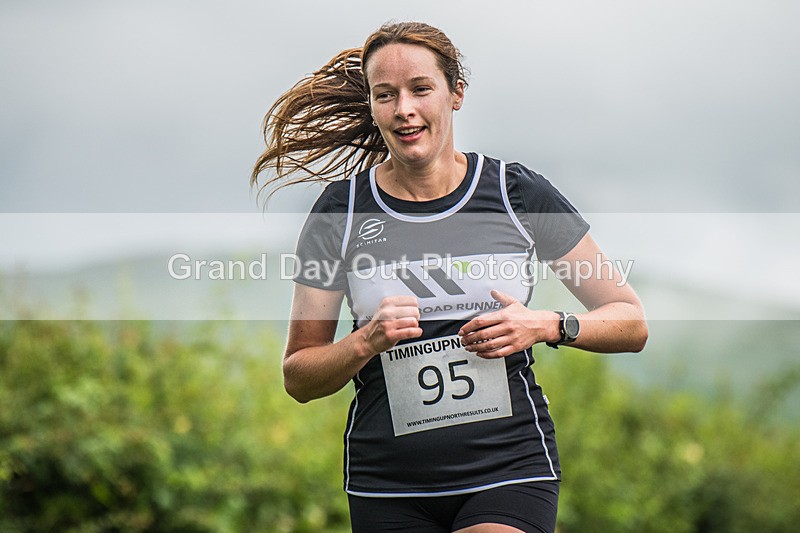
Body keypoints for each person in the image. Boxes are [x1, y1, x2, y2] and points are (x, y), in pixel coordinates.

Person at [251, 21, 647, 533]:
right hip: (388, 483)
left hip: (508, 467)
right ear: (373, 107)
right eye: (385, 95)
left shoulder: (515, 194)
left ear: (455, 93)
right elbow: (299, 376)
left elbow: (631, 321)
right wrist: (365, 341)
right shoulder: (339, 212)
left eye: (421, 89)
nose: (404, 109)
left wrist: (546, 325)